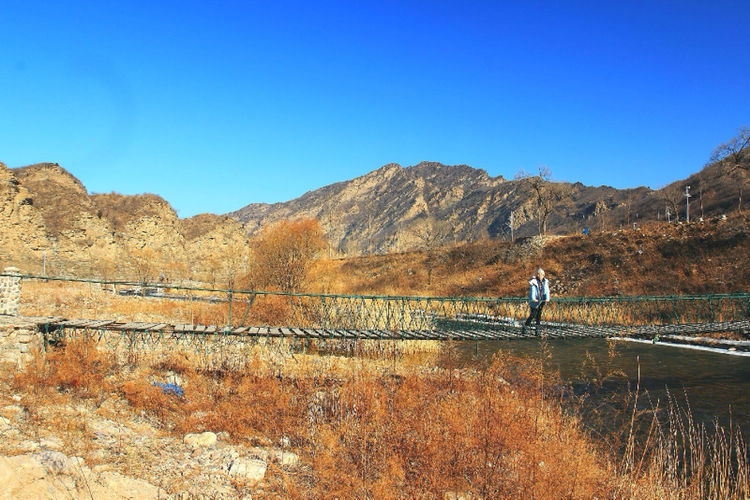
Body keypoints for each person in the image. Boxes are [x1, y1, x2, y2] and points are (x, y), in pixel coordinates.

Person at [523, 268, 550, 334]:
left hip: (542, 300)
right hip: (534, 301)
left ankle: (537, 329)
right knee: (533, 314)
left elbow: (547, 290)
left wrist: (547, 298)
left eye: (542, 274)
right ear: (537, 275)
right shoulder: (534, 282)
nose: (541, 275)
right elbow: (533, 291)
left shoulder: (545, 282)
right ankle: (525, 327)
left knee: (539, 314)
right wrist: (533, 298)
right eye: (540, 274)